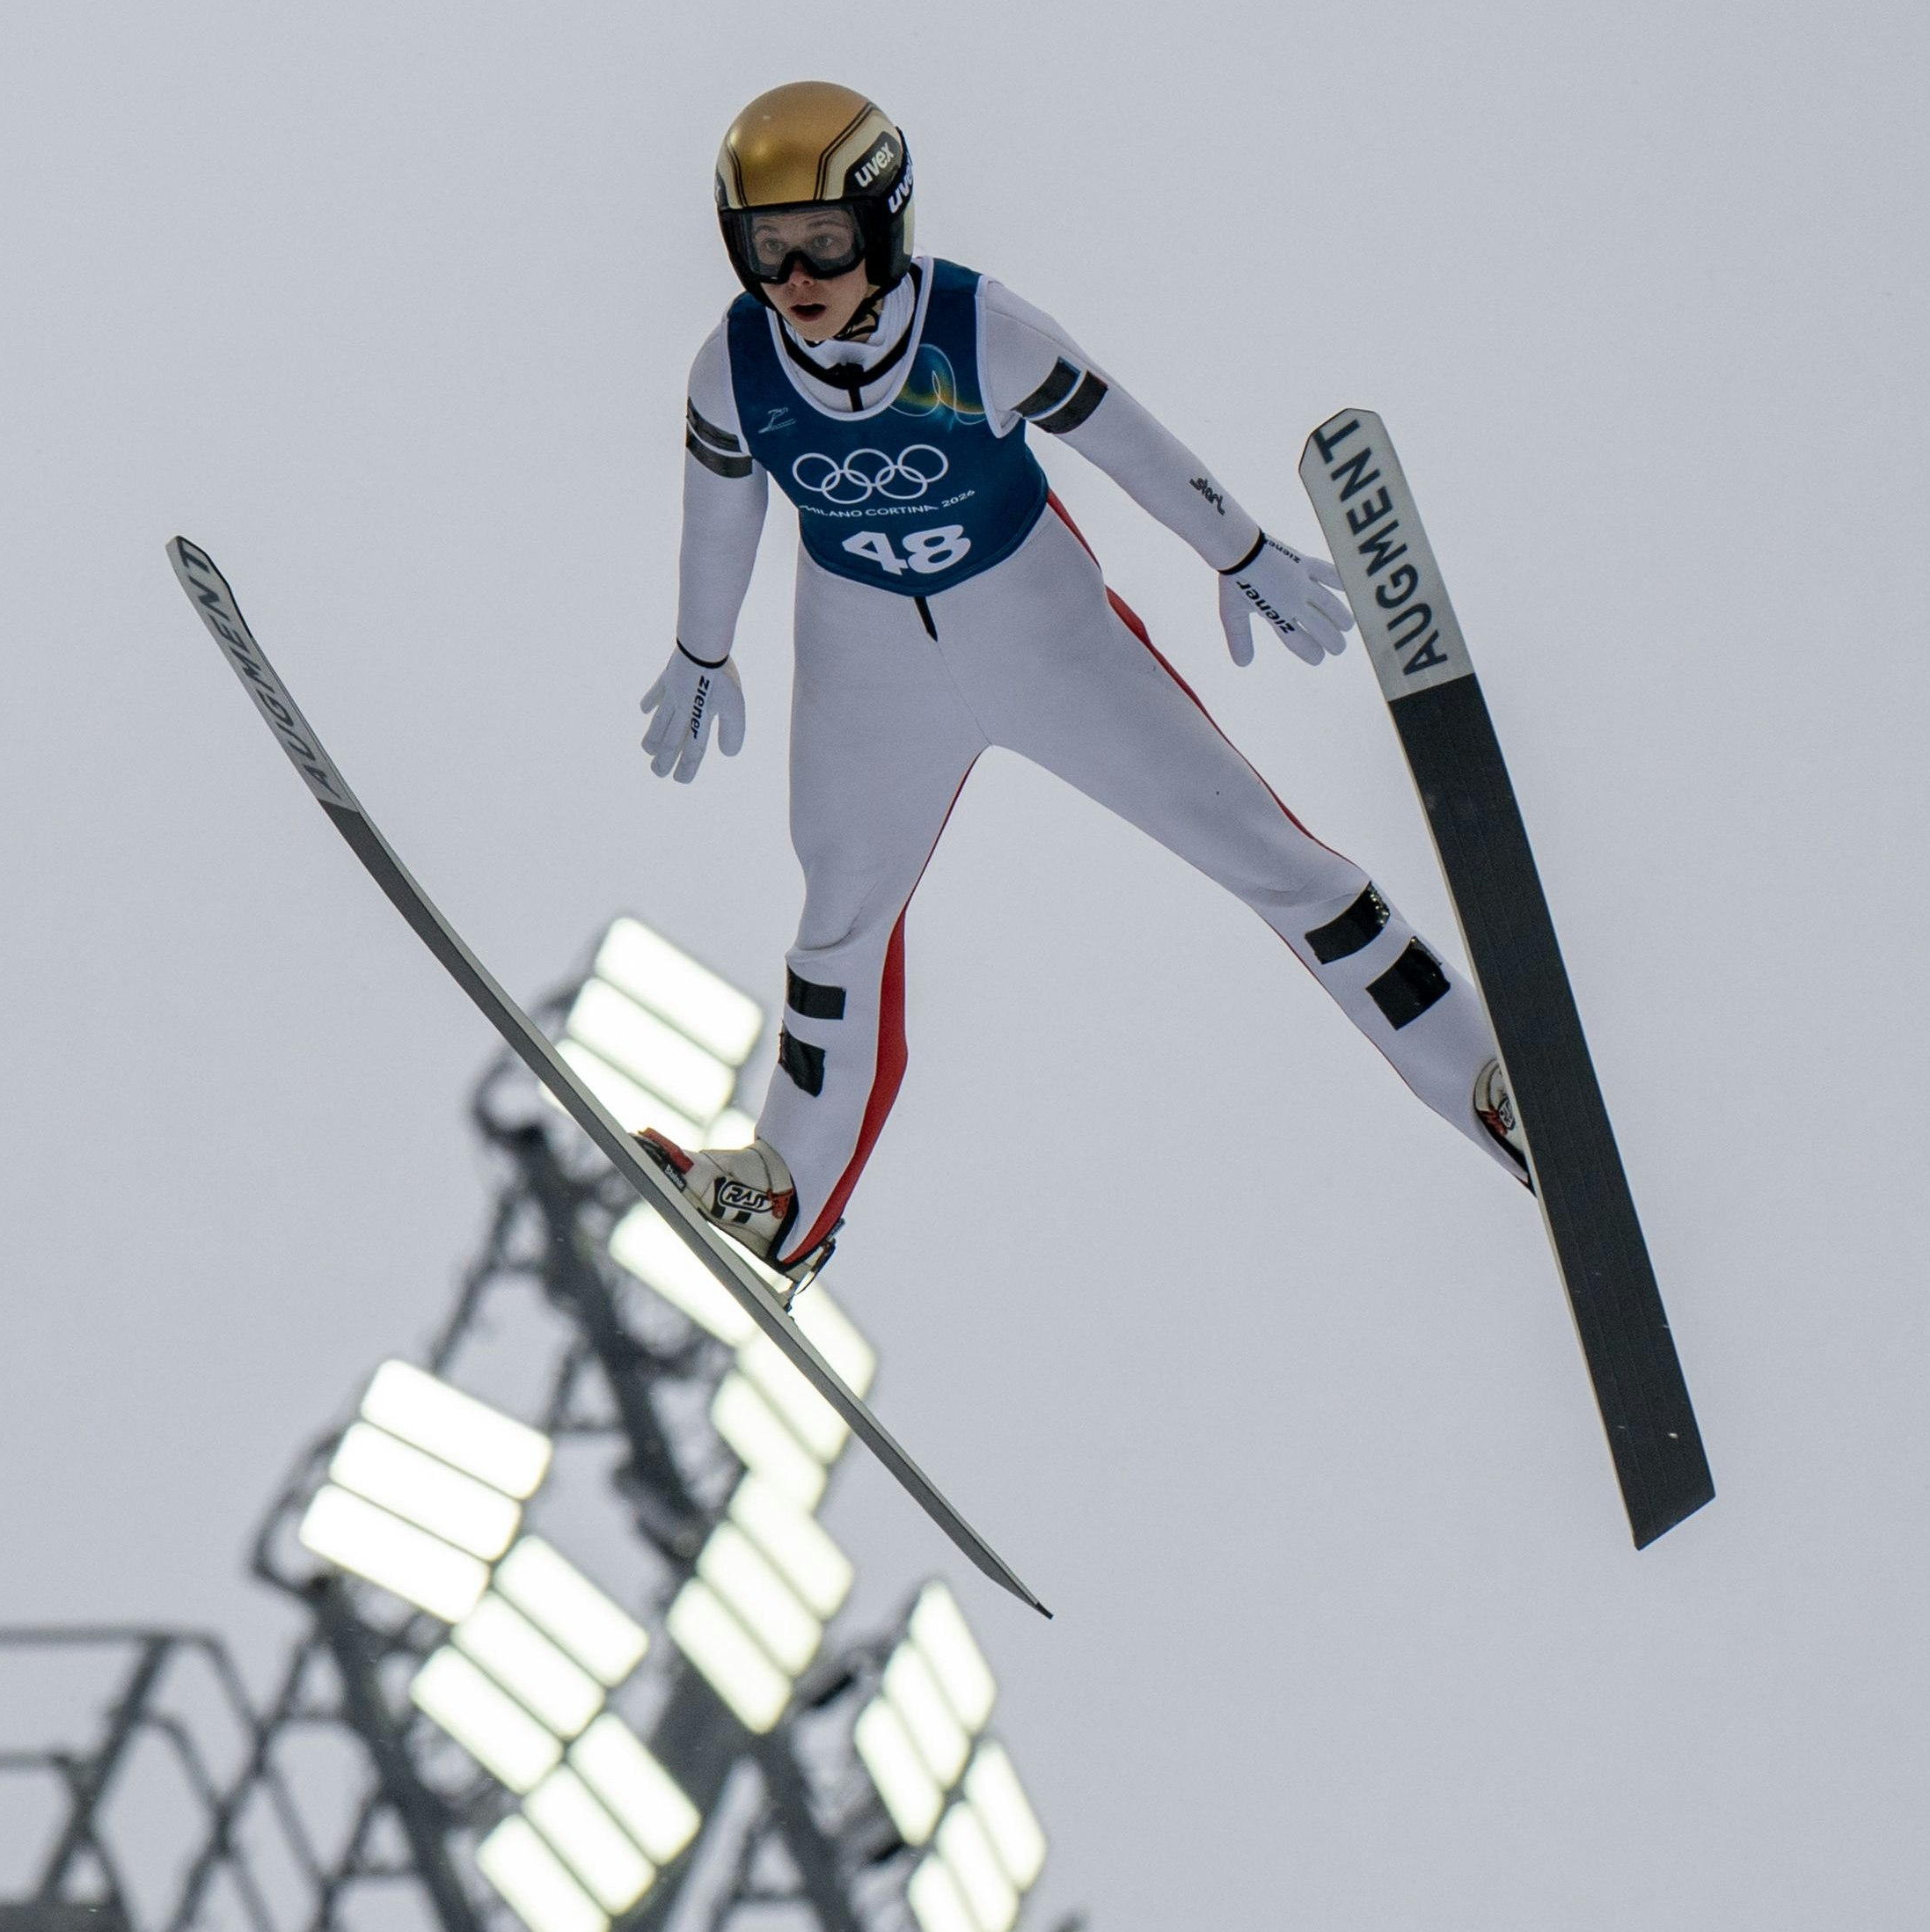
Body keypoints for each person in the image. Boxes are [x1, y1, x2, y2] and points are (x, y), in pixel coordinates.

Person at [632, 81, 1530, 1279]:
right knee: (837, 924)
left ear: (883, 223)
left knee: (1270, 855)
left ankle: (1488, 1078)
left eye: (826, 244)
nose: (796, 280)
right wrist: (702, 645)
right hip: (866, 662)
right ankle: (786, 1196)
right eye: (765, 250)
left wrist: (1241, 548)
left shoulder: (977, 330)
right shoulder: (732, 369)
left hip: (1039, 634)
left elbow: (1124, 436)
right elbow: (720, 510)